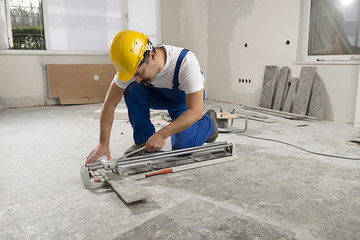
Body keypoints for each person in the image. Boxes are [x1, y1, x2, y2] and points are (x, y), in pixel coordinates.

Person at [86, 30, 218, 164]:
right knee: (132, 89)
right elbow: (110, 103)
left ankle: (209, 123)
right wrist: (103, 143)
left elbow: (195, 111)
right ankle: (144, 141)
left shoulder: (186, 62)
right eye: (134, 75)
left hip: (183, 101)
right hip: (158, 96)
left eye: (140, 73)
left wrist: (162, 134)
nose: (137, 79)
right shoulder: (132, 65)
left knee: (182, 149)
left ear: (152, 56)